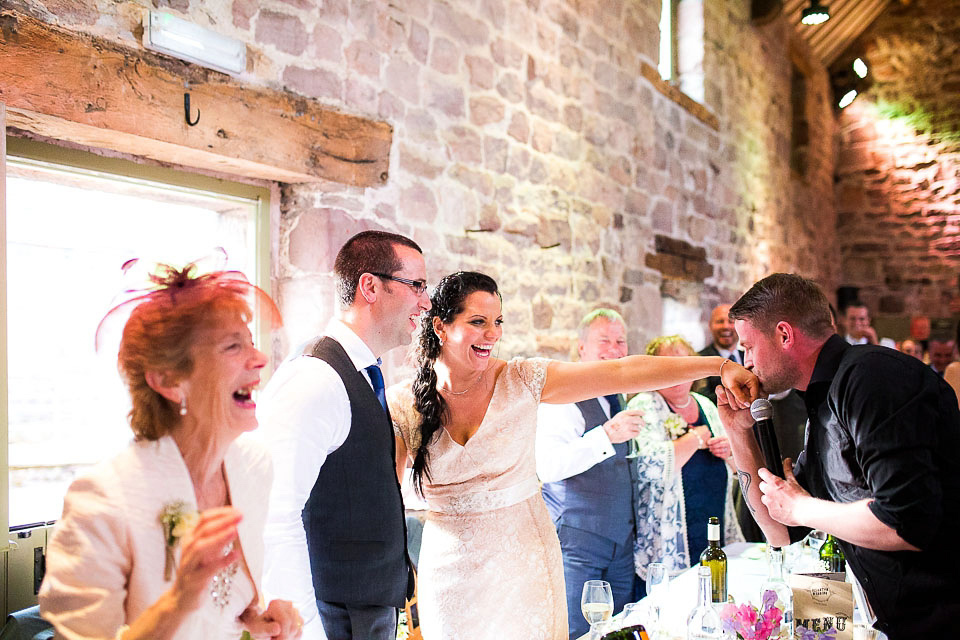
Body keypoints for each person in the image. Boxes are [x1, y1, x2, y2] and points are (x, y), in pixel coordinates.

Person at [387, 272, 759, 640]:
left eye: (498, 322)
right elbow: (385, 500)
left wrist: (718, 366)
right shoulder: (404, 405)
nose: (493, 334)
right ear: (440, 325)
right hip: (449, 575)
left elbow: (623, 371)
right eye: (478, 322)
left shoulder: (520, 380)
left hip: (524, 568)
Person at [39, 263, 302, 640]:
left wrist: (257, 618)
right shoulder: (102, 500)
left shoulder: (253, 466)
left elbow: (226, 608)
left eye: (251, 340)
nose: (260, 359)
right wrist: (179, 599)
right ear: (168, 380)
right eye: (233, 346)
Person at [718, 273, 960, 639]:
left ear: (784, 335)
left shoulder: (872, 377)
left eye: (749, 346)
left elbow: (906, 521)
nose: (746, 362)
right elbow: (780, 530)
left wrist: (800, 507)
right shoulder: (824, 400)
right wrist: (738, 433)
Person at [258, 231, 428, 639]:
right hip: (331, 617)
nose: (425, 301)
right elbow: (276, 515)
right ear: (370, 286)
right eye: (416, 285)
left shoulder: (364, 371)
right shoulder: (316, 378)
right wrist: (306, 629)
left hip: (365, 611)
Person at [535, 309, 644, 639]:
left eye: (620, 341)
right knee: (577, 631)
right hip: (578, 541)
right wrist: (606, 435)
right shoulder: (563, 397)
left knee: (619, 630)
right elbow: (549, 466)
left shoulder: (618, 394)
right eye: (604, 341)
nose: (614, 348)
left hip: (621, 542)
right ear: (581, 348)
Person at [626, 336, 743, 587]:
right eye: (668, 366)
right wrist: (693, 439)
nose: (678, 373)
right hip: (669, 533)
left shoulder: (706, 405)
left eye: (684, 365)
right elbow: (648, 468)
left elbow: (738, 469)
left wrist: (729, 453)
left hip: (712, 519)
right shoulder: (643, 406)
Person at [697, 304, 743, 403]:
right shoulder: (699, 359)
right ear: (710, 325)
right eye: (720, 321)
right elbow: (701, 398)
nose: (725, 326)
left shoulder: (751, 358)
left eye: (731, 321)